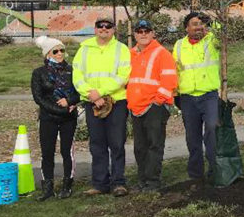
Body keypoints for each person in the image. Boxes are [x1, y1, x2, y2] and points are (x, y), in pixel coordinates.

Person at [73, 16, 131, 196]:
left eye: (108, 26)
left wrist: (102, 93)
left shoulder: (121, 49)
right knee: (97, 144)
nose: (104, 29)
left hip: (116, 102)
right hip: (92, 102)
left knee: (116, 143)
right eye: (100, 26)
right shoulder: (84, 49)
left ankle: (118, 183)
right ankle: (100, 184)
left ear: (114, 29)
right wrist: (91, 94)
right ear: (95, 29)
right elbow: (77, 75)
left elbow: (123, 75)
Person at [127, 19, 177, 192]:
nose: (143, 34)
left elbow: (170, 79)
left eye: (146, 31)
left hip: (155, 106)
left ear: (152, 33)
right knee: (140, 147)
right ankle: (142, 180)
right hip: (136, 107)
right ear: (135, 34)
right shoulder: (131, 54)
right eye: (140, 31)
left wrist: (158, 100)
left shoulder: (161, 53)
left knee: (154, 145)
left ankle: (153, 182)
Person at [31, 36, 80, 201]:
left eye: (62, 50)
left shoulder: (73, 70)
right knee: (47, 152)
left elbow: (80, 91)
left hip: (69, 118)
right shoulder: (38, 73)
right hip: (48, 117)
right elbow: (39, 98)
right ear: (47, 54)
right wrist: (59, 110)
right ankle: (47, 188)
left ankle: (67, 186)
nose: (60, 54)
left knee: (67, 152)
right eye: (56, 51)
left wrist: (71, 101)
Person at [173, 12, 220, 181]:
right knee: (192, 137)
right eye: (194, 24)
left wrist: (211, 22)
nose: (198, 26)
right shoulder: (179, 45)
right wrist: (175, 93)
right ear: (186, 28)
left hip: (209, 95)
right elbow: (175, 70)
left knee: (212, 131)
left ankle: (215, 170)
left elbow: (223, 31)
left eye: (201, 23)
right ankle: (195, 175)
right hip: (187, 97)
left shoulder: (212, 40)